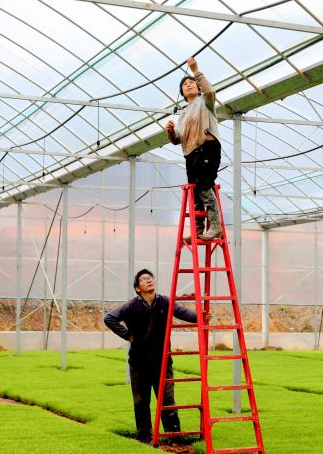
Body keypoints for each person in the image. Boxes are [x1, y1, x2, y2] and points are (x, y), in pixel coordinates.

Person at [104, 268, 210, 444]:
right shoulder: (131, 305)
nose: (148, 280)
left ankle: (174, 437)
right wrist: (127, 335)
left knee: (168, 400)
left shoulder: (165, 302)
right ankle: (144, 437)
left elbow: (183, 312)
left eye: (150, 277)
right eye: (143, 279)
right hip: (139, 362)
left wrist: (201, 316)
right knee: (141, 401)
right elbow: (109, 318)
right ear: (137, 288)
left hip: (162, 361)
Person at [165, 57, 222, 241]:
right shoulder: (183, 115)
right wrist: (171, 132)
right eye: (185, 84)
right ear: (182, 93)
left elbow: (210, 90)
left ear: (198, 87)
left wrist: (195, 70)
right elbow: (177, 140)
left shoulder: (205, 101)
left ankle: (216, 225)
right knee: (195, 191)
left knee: (204, 185)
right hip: (191, 154)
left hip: (208, 148)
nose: (188, 84)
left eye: (191, 82)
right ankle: (198, 229)